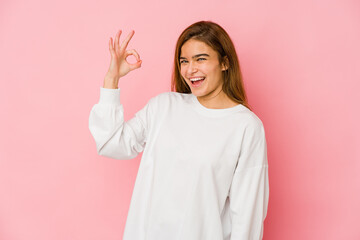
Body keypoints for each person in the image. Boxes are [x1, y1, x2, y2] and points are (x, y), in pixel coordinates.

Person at [89, 21, 269, 240]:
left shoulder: (246, 127)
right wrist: (112, 78)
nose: (190, 69)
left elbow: (247, 217)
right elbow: (111, 143)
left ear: (224, 63)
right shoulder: (163, 106)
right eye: (184, 61)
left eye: (200, 59)